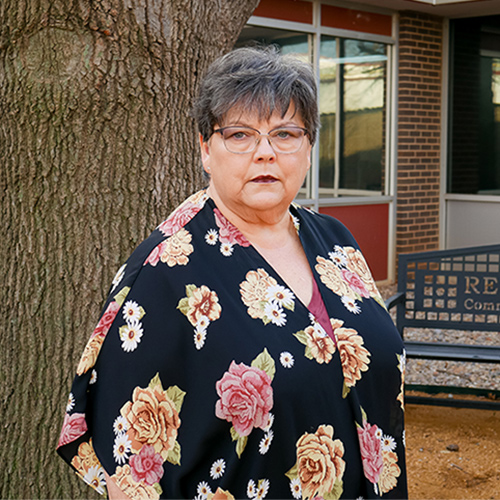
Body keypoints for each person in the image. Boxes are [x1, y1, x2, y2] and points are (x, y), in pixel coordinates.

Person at [57, 46, 408, 499]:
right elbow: (130, 464)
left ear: (308, 147)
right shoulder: (165, 269)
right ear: (206, 148)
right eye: (240, 135)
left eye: (285, 134)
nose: (265, 153)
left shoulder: (335, 241)